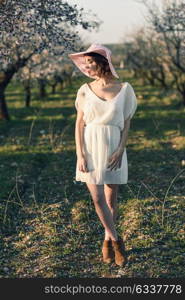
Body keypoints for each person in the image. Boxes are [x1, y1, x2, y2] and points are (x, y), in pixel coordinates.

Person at [68, 44, 137, 266]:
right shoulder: (85, 89)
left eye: (91, 63)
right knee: (97, 198)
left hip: (114, 144)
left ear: (103, 63)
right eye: (85, 64)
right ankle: (117, 240)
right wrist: (80, 154)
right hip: (90, 145)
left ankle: (106, 240)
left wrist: (121, 149)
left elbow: (126, 122)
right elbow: (79, 124)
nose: (87, 68)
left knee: (110, 198)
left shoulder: (125, 89)